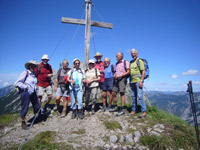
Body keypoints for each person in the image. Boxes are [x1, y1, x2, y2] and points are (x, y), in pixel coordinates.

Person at [14, 60, 41, 130]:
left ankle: (36, 118)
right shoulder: (25, 73)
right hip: (26, 93)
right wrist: (26, 87)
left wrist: (36, 90)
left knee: (37, 106)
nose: (32, 67)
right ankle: (23, 122)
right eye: (31, 66)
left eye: (34, 66)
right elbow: (18, 82)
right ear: (28, 66)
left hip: (33, 92)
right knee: (25, 108)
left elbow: (34, 83)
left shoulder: (34, 74)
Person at [110, 52, 130, 116]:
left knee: (122, 93)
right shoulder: (116, 63)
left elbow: (128, 71)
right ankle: (115, 106)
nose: (116, 57)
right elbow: (116, 71)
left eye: (117, 56)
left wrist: (121, 75)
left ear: (121, 56)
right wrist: (115, 74)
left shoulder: (125, 62)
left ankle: (122, 108)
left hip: (122, 79)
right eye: (116, 56)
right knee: (113, 92)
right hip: (116, 79)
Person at [130, 49, 147, 118]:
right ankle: (134, 110)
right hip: (132, 81)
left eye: (134, 53)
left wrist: (141, 81)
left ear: (137, 54)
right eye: (132, 54)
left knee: (140, 96)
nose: (133, 54)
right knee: (133, 96)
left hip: (138, 81)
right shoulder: (131, 62)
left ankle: (144, 111)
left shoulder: (139, 61)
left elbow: (143, 71)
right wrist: (129, 81)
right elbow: (131, 73)